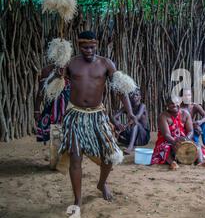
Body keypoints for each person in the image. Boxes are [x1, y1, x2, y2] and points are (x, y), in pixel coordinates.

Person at [54, 31, 138, 207]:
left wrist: (129, 112)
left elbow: (121, 89)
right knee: (76, 158)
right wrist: (58, 73)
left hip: (98, 115)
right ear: (79, 46)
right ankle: (77, 198)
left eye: (92, 47)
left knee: (111, 156)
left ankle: (101, 183)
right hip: (75, 115)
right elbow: (54, 82)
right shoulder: (71, 64)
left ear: (97, 45)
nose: (89, 51)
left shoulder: (106, 64)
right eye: (85, 47)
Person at [151, 96, 205, 170]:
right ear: (167, 105)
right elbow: (166, 135)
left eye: (176, 102)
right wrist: (175, 142)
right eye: (171, 103)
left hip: (183, 139)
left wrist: (186, 140)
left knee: (197, 144)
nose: (174, 105)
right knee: (165, 147)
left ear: (180, 103)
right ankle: (172, 163)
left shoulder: (185, 114)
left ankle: (200, 162)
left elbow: (190, 131)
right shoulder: (163, 116)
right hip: (168, 141)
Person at [34, 64, 70, 144]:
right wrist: (36, 110)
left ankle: (70, 153)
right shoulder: (47, 70)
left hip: (69, 106)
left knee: (71, 132)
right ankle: (57, 153)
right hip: (52, 107)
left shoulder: (71, 68)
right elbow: (41, 91)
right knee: (55, 131)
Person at [113, 89, 150, 155]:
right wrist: (118, 124)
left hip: (143, 137)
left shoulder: (142, 106)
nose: (134, 96)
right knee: (116, 125)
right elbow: (114, 117)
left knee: (136, 123)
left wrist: (125, 125)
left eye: (137, 95)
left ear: (140, 97)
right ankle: (118, 140)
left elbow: (136, 118)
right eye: (132, 94)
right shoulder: (126, 107)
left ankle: (130, 147)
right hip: (133, 137)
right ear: (128, 97)